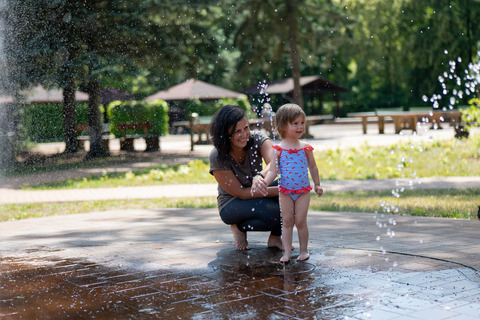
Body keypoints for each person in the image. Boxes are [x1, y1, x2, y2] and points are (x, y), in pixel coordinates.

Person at [209, 105, 283, 251]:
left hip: (256, 191)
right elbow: (241, 193)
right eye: (237, 131)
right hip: (232, 202)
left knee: (293, 192)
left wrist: (260, 176)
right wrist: (282, 191)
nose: (244, 135)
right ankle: (238, 227)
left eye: (246, 128)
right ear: (225, 133)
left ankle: (275, 238)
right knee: (278, 211)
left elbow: (275, 163)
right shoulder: (217, 155)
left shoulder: (258, 139)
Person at [258, 103, 323, 262]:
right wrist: (265, 183)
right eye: (295, 123)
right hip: (285, 192)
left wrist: (317, 184)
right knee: (287, 222)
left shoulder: (306, 148)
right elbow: (273, 171)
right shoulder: (278, 149)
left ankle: (304, 250)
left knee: (300, 221)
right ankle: (286, 252)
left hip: (303, 191)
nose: (300, 126)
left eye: (302, 123)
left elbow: (313, 167)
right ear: (283, 125)